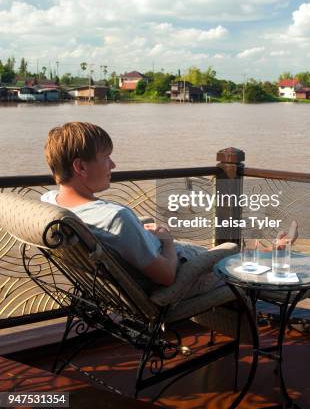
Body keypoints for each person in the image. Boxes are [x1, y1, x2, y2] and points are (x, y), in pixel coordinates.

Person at [41, 121, 218, 292]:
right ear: (81, 167)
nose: (113, 165)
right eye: (106, 157)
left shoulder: (48, 203)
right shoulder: (116, 218)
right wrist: (167, 241)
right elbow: (167, 276)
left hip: (110, 285)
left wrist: (139, 232)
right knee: (231, 261)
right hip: (182, 267)